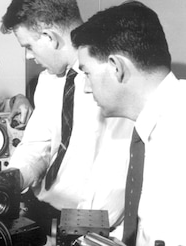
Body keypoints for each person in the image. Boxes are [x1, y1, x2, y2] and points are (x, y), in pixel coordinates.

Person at [0, 0, 134, 238]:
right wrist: (10, 181)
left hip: (83, 226)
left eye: (29, 46)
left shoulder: (109, 80)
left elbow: (115, 184)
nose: (29, 56)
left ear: (49, 37)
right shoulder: (48, 80)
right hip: (39, 209)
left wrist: (72, 235)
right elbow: (36, 146)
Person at [71, 1, 186, 245]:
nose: (86, 88)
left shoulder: (178, 135)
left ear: (116, 67)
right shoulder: (154, 123)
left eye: (87, 73)